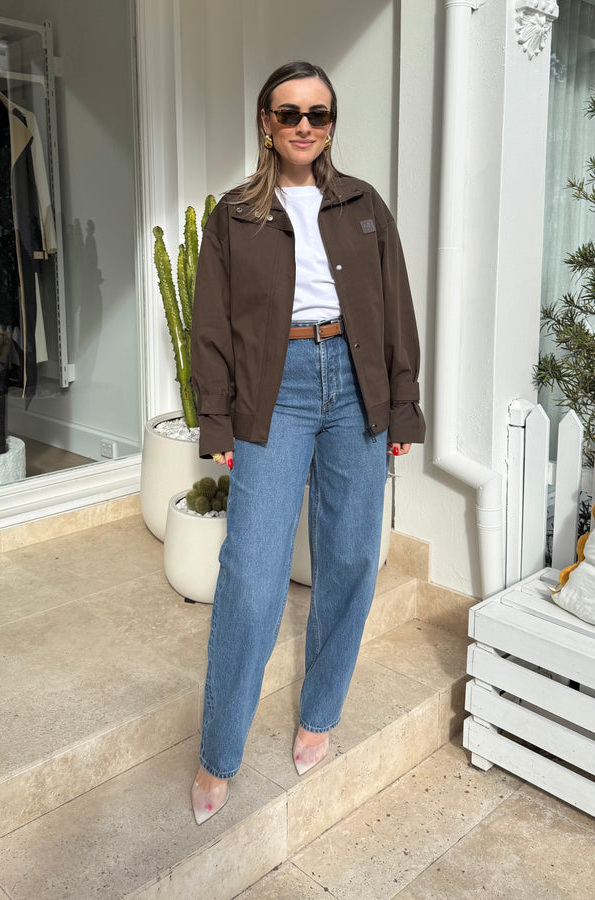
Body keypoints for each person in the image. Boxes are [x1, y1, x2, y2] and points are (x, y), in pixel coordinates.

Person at [190, 61, 425, 824]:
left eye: (317, 114)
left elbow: (395, 309)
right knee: (252, 575)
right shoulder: (233, 216)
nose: (303, 125)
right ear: (265, 121)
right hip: (276, 388)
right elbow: (211, 325)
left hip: (356, 385)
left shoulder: (363, 204)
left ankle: (319, 712)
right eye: (288, 112)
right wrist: (218, 421)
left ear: (331, 124)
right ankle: (219, 751)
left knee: (352, 557)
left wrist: (401, 408)